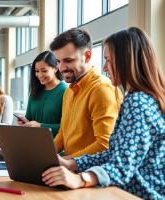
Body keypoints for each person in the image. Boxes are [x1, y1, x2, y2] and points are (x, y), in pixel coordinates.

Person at [42, 27, 165, 200]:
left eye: (108, 60)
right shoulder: (138, 99)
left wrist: (81, 178)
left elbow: (121, 164)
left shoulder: (138, 102)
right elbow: (113, 153)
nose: (105, 67)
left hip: (138, 195)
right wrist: (71, 163)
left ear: (126, 61)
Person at [50, 28, 123, 157]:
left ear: (87, 56)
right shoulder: (69, 92)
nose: (61, 68)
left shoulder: (101, 89)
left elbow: (105, 144)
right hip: (71, 169)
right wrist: (43, 155)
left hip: (90, 172)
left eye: (68, 60)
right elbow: (63, 134)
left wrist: (67, 161)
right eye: (58, 61)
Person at [18, 51, 67, 137]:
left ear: (56, 68)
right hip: (33, 143)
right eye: (37, 71)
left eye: (44, 71)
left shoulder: (65, 91)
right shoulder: (35, 91)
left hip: (56, 147)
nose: (40, 75)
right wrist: (24, 122)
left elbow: (68, 127)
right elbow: (29, 119)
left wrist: (41, 126)